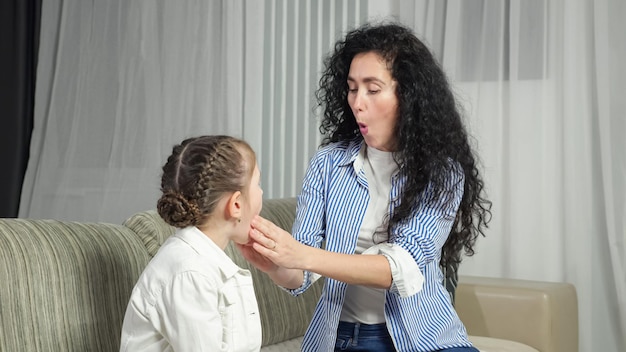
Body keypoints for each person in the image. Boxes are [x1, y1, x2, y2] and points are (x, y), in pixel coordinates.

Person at [238, 22, 492, 351]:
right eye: (352, 88)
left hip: (431, 336)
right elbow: (300, 275)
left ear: (408, 97)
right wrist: (275, 264)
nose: (357, 102)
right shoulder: (328, 164)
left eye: (373, 89)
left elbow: (400, 268)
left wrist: (301, 255)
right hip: (348, 338)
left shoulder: (442, 174)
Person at [120, 135, 264, 352]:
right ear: (236, 204)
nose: (262, 192)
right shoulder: (190, 274)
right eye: (258, 184)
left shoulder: (202, 262)